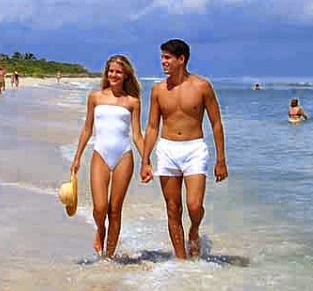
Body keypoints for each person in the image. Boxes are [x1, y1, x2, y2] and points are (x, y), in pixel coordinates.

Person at [143, 39, 227, 260]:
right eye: (162, 57)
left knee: (194, 205)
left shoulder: (202, 86)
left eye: (167, 57)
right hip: (167, 149)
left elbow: (216, 123)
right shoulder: (158, 90)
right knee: (173, 209)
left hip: (194, 149)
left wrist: (221, 160)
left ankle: (194, 230)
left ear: (181, 59)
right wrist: (145, 159)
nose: (163, 62)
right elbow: (152, 126)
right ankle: (181, 260)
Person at [69, 55, 145, 258]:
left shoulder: (133, 102)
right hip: (100, 154)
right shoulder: (95, 97)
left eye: (118, 72)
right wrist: (77, 157)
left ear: (126, 75)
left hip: (124, 156)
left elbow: (137, 135)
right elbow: (87, 129)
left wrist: (146, 161)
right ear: (106, 73)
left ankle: (109, 256)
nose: (114, 75)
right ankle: (100, 229)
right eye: (111, 71)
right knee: (100, 208)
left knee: (115, 210)